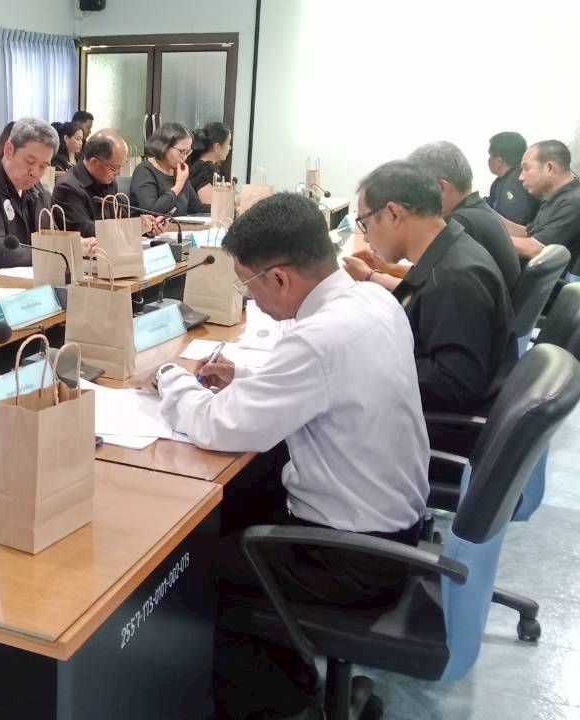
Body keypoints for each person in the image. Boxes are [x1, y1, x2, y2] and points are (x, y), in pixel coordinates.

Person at [135, 192, 429, 720]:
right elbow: (332, 381)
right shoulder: (372, 301)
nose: (249, 297)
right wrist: (248, 375)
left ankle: (285, 706)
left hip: (349, 559)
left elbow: (217, 425)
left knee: (183, 570)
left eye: (247, 284)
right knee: (244, 503)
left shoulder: (317, 340)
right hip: (392, 531)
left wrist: (169, 377)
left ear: (279, 278)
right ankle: (296, 685)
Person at [345, 160, 515, 416]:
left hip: (442, 424)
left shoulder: (455, 278)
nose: (366, 237)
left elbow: (454, 384)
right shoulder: (449, 250)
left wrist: (371, 362)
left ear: (393, 214)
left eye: (364, 223)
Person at [0, 117, 70, 280]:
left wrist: (75, 245)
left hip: (28, 283)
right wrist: (57, 252)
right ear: (9, 150)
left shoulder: (39, 191)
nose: (35, 172)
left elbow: (52, 238)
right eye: (30, 161)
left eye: (43, 166)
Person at [406, 141, 521, 291]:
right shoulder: (477, 211)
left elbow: (430, 287)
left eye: (416, 191)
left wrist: (378, 276)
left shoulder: (460, 224)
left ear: (441, 188)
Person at [52, 128, 164, 238]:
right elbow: (85, 232)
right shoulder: (68, 187)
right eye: (115, 168)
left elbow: (122, 218)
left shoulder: (108, 181)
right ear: (94, 162)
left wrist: (147, 226)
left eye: (122, 166)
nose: (119, 173)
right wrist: (133, 228)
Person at [501, 139, 580, 261]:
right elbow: (528, 233)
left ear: (549, 168)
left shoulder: (574, 203)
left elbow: (535, 249)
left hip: (537, 272)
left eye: (526, 169)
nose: (521, 177)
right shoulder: (557, 197)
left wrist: (488, 238)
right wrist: (489, 219)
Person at [130, 121, 209, 217]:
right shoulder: (144, 170)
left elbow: (196, 208)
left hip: (177, 226)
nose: (184, 157)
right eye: (181, 151)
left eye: (187, 152)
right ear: (165, 146)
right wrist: (178, 186)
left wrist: (223, 207)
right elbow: (152, 211)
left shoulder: (178, 172)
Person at [486, 131, 540, 226]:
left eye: (490, 156)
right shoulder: (503, 180)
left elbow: (513, 223)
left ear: (499, 161)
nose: (488, 160)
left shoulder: (516, 183)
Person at [187, 122, 232, 200]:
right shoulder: (203, 171)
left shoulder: (211, 167)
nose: (230, 148)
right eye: (228, 143)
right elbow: (210, 204)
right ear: (217, 147)